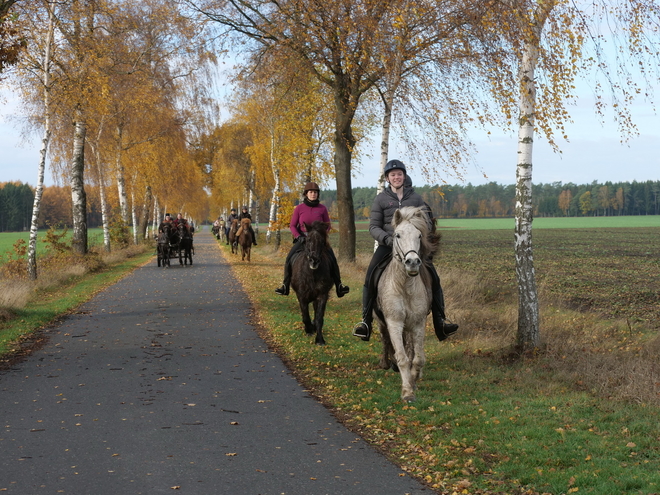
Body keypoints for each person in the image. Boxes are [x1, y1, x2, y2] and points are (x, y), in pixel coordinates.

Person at [352, 159, 458, 342]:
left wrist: (417, 238)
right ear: (387, 178)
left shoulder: (416, 199)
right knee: (370, 276)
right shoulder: (381, 199)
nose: (396, 177)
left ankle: (441, 322)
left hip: (412, 248)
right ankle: (366, 322)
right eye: (392, 175)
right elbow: (373, 226)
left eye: (399, 174)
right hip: (388, 246)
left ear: (404, 176)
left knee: (434, 277)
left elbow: (425, 222)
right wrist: (387, 238)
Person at [274, 182, 350, 299]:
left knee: (332, 259)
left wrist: (322, 235)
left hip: (318, 240)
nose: (313, 194)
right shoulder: (299, 208)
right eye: (311, 192)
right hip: (303, 238)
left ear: (317, 194)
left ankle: (339, 285)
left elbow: (328, 225)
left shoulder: (322, 208)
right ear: (306, 194)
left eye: (315, 192)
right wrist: (298, 236)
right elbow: (293, 225)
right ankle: (285, 285)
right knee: (289, 258)